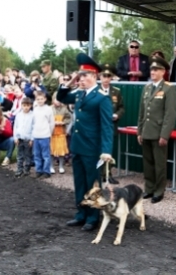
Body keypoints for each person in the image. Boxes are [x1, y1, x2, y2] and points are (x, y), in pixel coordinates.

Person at [57, 53, 114, 231]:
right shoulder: (79, 94)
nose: (82, 78)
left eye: (85, 75)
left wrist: (106, 150)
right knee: (79, 182)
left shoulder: (102, 97)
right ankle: (81, 214)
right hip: (78, 145)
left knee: (92, 184)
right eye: (80, 75)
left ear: (95, 77)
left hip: (92, 148)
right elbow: (61, 97)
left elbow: (107, 127)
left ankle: (92, 217)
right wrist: (69, 82)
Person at [137, 56, 176, 204]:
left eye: (156, 69)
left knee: (159, 164)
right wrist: (139, 131)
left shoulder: (169, 88)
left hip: (159, 132)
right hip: (147, 131)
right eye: (151, 69)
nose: (152, 72)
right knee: (148, 163)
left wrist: (165, 135)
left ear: (163, 71)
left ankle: (159, 191)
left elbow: (170, 114)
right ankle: (149, 188)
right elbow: (142, 112)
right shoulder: (147, 88)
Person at [99, 64, 125, 184]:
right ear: (100, 76)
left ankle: (108, 174)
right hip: (98, 125)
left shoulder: (116, 91)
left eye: (109, 76)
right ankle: (98, 174)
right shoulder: (95, 90)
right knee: (98, 150)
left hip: (111, 125)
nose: (106, 78)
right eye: (104, 75)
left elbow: (121, 108)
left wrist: (117, 115)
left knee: (109, 149)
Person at [31, 91, 55, 179]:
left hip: (45, 135)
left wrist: (49, 133)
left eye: (41, 99)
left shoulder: (48, 109)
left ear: (45, 99)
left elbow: (51, 122)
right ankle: (39, 170)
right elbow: (33, 122)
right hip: (36, 135)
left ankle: (46, 171)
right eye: (38, 99)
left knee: (45, 155)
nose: (40, 101)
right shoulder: (35, 109)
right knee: (37, 154)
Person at [50, 92, 71, 175]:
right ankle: (51, 166)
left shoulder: (64, 109)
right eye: (56, 99)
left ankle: (61, 166)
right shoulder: (50, 109)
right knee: (52, 150)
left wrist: (63, 122)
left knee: (61, 150)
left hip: (61, 132)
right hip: (52, 133)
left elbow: (69, 118)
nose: (58, 101)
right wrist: (53, 122)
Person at [13, 97, 34, 177]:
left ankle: (27, 169)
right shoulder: (18, 115)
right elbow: (16, 127)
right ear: (21, 105)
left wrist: (32, 139)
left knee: (28, 155)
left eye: (27, 105)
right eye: (24, 105)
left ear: (30, 106)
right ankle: (19, 168)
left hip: (28, 139)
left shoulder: (32, 115)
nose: (26, 107)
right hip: (20, 138)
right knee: (19, 155)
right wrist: (15, 137)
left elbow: (33, 128)